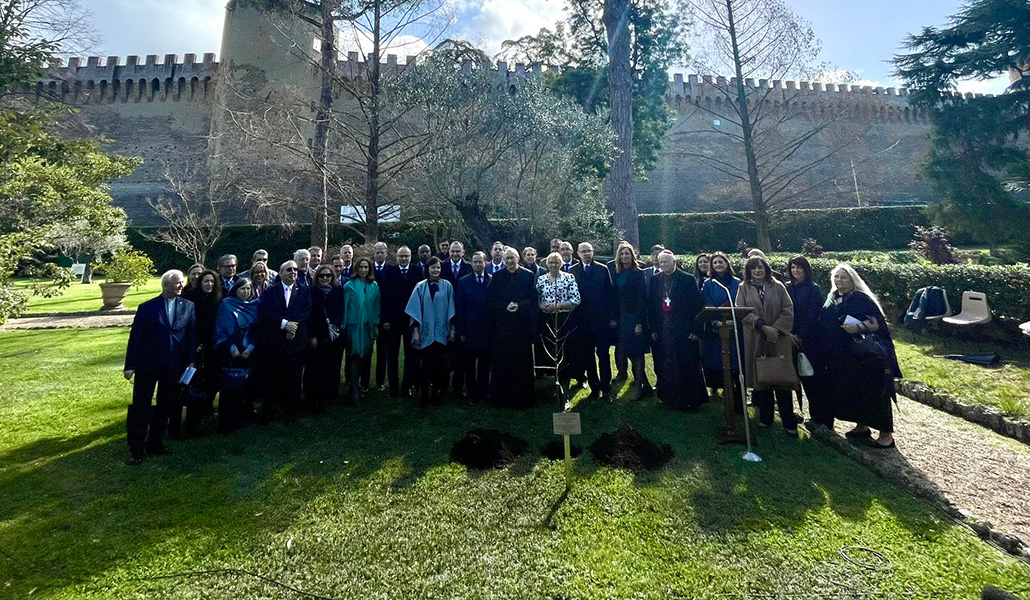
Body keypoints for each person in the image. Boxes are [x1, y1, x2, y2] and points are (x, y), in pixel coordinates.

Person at [820, 263, 902, 448]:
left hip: (868, 357)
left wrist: (858, 327)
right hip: (847, 357)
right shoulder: (833, 297)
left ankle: (886, 435)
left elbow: (877, 323)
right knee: (857, 391)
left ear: (852, 279)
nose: (839, 280)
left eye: (843, 277)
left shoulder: (861, 299)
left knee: (876, 393)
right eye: (836, 277)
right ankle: (862, 426)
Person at [123, 269, 196, 463]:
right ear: (165, 285)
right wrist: (130, 365)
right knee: (141, 406)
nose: (181, 285)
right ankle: (137, 447)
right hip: (148, 365)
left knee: (165, 406)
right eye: (177, 283)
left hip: (174, 366)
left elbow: (191, 335)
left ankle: (156, 443)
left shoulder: (188, 306)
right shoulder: (148, 308)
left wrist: (190, 360)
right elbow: (136, 338)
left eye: (182, 282)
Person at [736, 255, 798, 435]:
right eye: (753, 268)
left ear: (766, 269)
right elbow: (740, 310)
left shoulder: (778, 287)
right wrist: (761, 326)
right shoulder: (744, 288)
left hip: (778, 339)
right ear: (748, 271)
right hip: (756, 338)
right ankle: (766, 418)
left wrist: (776, 330)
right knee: (761, 378)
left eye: (760, 268)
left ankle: (788, 421)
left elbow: (788, 310)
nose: (757, 271)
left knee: (781, 379)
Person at [648, 250, 707, 411]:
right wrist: (652, 328)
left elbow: (697, 306)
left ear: (674, 262)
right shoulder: (655, 280)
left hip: (684, 329)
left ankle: (692, 399)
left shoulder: (687, 279)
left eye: (666, 262)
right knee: (665, 363)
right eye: (661, 262)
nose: (663, 265)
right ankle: (669, 397)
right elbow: (651, 306)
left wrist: (697, 331)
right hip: (663, 328)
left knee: (687, 364)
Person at [257, 260, 311, 423]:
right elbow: (265, 312)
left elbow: (306, 310)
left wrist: (292, 327)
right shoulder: (270, 291)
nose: (293, 272)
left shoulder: (304, 290)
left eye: (295, 270)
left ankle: (291, 412)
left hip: (296, 342)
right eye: (289, 270)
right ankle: (269, 412)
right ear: (280, 274)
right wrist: (284, 324)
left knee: (294, 379)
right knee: (272, 379)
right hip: (275, 343)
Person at [487, 247, 538, 408]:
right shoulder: (497, 277)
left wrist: (519, 306)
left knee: (521, 363)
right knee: (502, 363)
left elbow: (533, 299)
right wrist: (505, 307)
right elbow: (491, 300)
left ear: (518, 259)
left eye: (512, 258)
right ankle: (501, 398)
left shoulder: (528, 276)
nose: (509, 261)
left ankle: (523, 398)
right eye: (506, 259)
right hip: (503, 327)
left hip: (521, 326)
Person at [405, 257, 456, 406]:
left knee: (439, 367)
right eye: (433, 267)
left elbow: (452, 309)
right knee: (425, 366)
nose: (436, 270)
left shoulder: (447, 286)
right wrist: (415, 331)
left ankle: (436, 394)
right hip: (425, 333)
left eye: (438, 268)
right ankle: (424, 394)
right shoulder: (420, 286)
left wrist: (452, 329)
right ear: (427, 269)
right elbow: (414, 310)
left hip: (441, 333)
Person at [211, 278, 259, 433]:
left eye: (248, 289)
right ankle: (226, 423)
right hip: (231, 353)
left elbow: (258, 330)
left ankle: (241, 418)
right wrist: (231, 347)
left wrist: (251, 347)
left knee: (245, 388)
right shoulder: (226, 304)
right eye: (242, 289)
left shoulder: (254, 305)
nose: (245, 292)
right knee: (229, 389)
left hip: (248, 352)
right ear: (235, 290)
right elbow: (221, 329)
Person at [179, 268, 222, 436]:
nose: (209, 284)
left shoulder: (218, 299)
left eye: (212, 281)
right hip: (196, 347)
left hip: (214, 347)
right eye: (206, 281)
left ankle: (206, 413)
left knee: (211, 383)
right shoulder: (191, 298)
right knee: (194, 385)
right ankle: (192, 424)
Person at [570, 242, 615, 401]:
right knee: (588, 358)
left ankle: (606, 389)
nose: (587, 253)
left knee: (603, 356)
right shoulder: (572, 271)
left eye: (589, 251)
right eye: (583, 251)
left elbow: (610, 295)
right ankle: (594, 388)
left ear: (593, 252)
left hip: (601, 322)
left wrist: (612, 317)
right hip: (582, 324)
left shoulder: (603, 270)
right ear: (578, 253)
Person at [536, 251, 581, 409]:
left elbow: (576, 299)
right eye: (551, 262)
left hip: (565, 320)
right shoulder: (541, 280)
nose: (554, 265)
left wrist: (558, 305)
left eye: (557, 262)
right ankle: (554, 389)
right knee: (550, 355)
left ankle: (565, 393)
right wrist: (543, 306)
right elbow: (538, 300)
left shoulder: (569, 278)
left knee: (565, 357)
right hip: (547, 321)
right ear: (546, 264)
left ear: (561, 264)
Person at [785, 255, 826, 424]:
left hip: (808, 339)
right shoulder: (786, 287)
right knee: (791, 379)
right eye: (793, 267)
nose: (796, 271)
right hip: (788, 337)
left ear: (805, 269)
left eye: (799, 267)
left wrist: (800, 336)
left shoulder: (813, 289)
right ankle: (794, 413)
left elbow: (813, 316)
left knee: (811, 379)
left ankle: (818, 417)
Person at [701, 251, 743, 405]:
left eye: (721, 262)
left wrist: (735, 321)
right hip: (717, 330)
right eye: (715, 263)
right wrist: (716, 322)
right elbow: (707, 303)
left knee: (737, 364)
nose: (718, 265)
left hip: (735, 329)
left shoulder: (737, 283)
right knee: (721, 363)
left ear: (727, 264)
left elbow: (741, 303)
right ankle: (726, 393)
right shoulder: (709, 284)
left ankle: (740, 397)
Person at [612, 242, 650, 400]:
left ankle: (640, 385)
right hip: (622, 317)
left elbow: (642, 299)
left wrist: (639, 323)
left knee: (636, 352)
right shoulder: (618, 272)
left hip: (634, 317)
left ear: (632, 255)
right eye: (622, 254)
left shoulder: (638, 273)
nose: (624, 256)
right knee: (626, 350)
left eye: (627, 253)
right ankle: (646, 385)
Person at [306, 264, 345, 411]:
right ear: (317, 277)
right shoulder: (311, 292)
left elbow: (342, 312)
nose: (325, 278)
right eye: (322, 276)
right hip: (317, 335)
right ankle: (313, 398)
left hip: (333, 336)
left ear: (333, 277)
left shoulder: (338, 291)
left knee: (332, 367)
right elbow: (309, 316)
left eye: (328, 275)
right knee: (315, 368)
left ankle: (329, 397)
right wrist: (312, 336)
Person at [455, 252, 492, 405]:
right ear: (471, 264)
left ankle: (483, 393)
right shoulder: (463, 282)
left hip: (487, 331)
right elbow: (459, 307)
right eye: (475, 262)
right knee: (469, 367)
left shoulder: (491, 280)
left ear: (485, 263)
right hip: (469, 331)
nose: (477, 264)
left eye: (480, 262)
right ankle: (472, 394)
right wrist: (461, 331)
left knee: (485, 366)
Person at [343, 257, 381, 404]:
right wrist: (345, 327)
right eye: (361, 267)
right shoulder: (349, 286)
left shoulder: (374, 286)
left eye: (366, 267)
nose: (363, 270)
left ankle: (362, 385)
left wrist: (376, 324)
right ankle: (354, 390)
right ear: (356, 269)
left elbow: (377, 305)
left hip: (368, 327)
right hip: (353, 326)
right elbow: (345, 308)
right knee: (354, 357)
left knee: (365, 355)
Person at [394, 246, 425, 396]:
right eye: (401, 256)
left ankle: (408, 384)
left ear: (411, 257)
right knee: (392, 355)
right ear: (397, 257)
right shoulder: (391, 271)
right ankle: (394, 387)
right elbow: (386, 296)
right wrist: (386, 319)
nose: (404, 258)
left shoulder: (418, 272)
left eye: (406, 256)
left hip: (412, 320)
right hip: (394, 321)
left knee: (411, 355)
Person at [372, 242, 402, 395]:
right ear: (374, 253)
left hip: (388, 315)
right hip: (373, 312)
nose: (379, 254)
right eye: (377, 252)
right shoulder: (367, 269)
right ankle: (377, 381)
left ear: (386, 253)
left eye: (382, 252)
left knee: (385, 351)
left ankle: (382, 381)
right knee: (374, 351)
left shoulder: (391, 270)